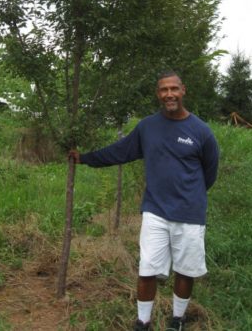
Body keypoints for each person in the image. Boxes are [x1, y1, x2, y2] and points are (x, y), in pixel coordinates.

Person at [69, 70, 219, 331]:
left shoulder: (201, 131)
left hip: (189, 213)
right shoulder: (147, 127)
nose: (169, 94)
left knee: (185, 270)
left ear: (184, 91)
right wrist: (86, 158)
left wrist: (190, 195)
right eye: (164, 90)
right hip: (155, 211)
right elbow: (121, 151)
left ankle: (177, 320)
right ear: (158, 94)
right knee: (147, 269)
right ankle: (143, 322)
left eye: (174, 89)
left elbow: (210, 172)